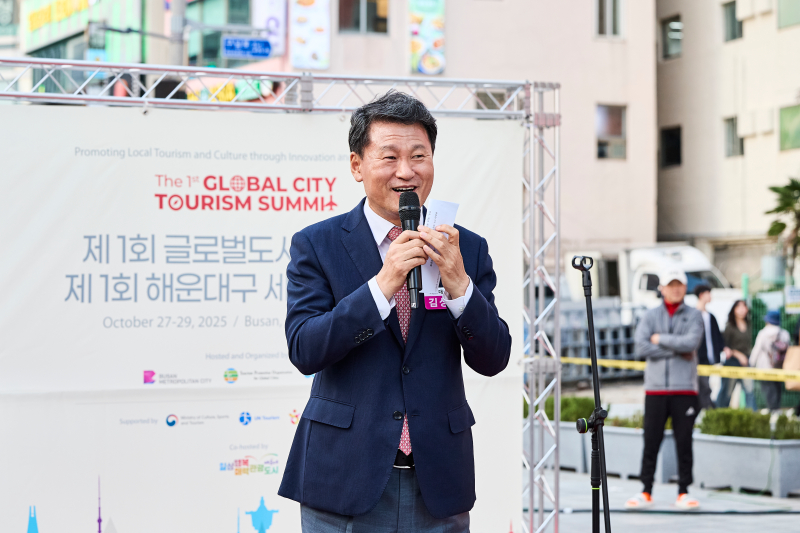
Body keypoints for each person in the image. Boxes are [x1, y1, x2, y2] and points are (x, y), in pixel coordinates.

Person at [277, 91, 512, 533]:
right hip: (344, 478)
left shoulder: (466, 247)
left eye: (419, 156)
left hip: (438, 481)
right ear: (357, 165)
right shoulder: (318, 244)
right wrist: (382, 285)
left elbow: (494, 358)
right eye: (390, 157)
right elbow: (305, 348)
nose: (406, 171)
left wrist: (459, 286)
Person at [625, 270, 704, 511]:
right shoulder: (650, 315)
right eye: (671, 285)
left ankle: (684, 491)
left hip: (685, 390)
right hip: (655, 390)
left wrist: (660, 339)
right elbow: (641, 345)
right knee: (651, 440)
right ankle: (645, 490)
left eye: (679, 284)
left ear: (685, 288)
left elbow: (691, 343)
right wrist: (676, 350)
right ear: (662, 288)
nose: (675, 289)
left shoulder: (694, 315)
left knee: (684, 442)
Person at [716, 300, 755, 410]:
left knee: (750, 391)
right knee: (727, 392)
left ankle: (752, 415)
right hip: (732, 362)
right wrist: (738, 355)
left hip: (746, 362)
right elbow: (725, 346)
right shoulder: (730, 326)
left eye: (744, 307)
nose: (742, 310)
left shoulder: (748, 325)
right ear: (734, 310)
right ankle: (719, 413)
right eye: (739, 307)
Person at [750, 310, 789, 411]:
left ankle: (773, 411)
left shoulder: (763, 333)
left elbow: (757, 350)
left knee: (768, 390)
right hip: (779, 367)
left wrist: (751, 364)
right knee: (777, 389)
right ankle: (777, 410)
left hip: (764, 367)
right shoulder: (784, 333)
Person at [694, 284, 724, 409]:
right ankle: (706, 409)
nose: (711, 296)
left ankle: (705, 409)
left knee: (705, 384)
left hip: (709, 358)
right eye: (708, 293)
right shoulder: (693, 314)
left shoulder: (710, 316)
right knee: (702, 386)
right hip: (696, 358)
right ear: (701, 295)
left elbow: (717, 337)